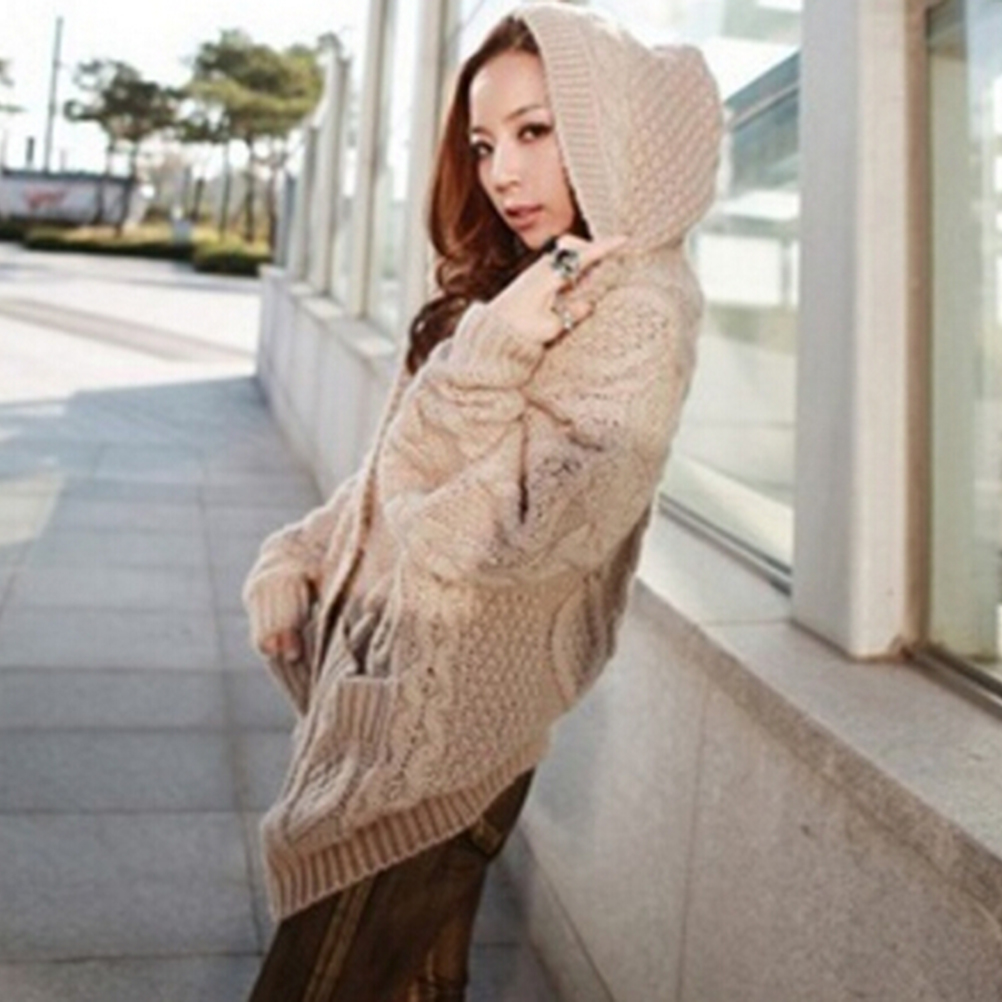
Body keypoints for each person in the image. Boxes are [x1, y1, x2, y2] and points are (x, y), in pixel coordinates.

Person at [241, 4, 722, 1000]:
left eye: (535, 131)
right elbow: (398, 478)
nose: (503, 173)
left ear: (606, 127)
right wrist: (299, 552)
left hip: (441, 738)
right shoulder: (535, 280)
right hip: (395, 702)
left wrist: (488, 354)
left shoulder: (637, 310)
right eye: (485, 144)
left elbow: (519, 533)